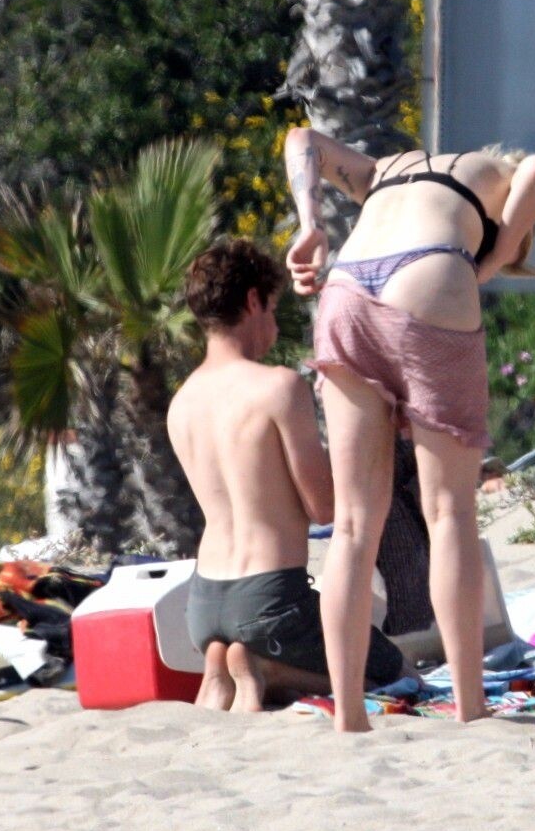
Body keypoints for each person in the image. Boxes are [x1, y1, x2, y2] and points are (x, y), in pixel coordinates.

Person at [284, 129, 535, 731]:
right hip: (430, 275)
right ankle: (470, 704)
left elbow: (302, 139)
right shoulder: (494, 174)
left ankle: (348, 713)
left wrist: (310, 223)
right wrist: (496, 255)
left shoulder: (385, 168)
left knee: (352, 526)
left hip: (346, 289)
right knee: (450, 512)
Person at [167, 239, 406, 712]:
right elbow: (323, 507)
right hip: (270, 599)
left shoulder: (181, 403)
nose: (275, 326)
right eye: (273, 310)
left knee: (253, 646)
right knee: (393, 671)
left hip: (204, 602)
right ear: (253, 301)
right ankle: (268, 669)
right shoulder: (278, 387)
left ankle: (219, 668)